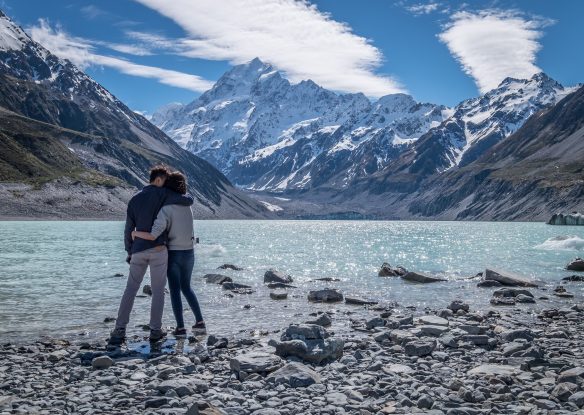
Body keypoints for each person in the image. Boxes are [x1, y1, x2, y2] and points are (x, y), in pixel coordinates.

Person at [109, 166, 194, 344]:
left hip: (138, 250)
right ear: (158, 179)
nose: (167, 184)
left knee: (130, 289)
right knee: (158, 292)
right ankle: (155, 331)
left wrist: (129, 252)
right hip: (158, 251)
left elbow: (128, 230)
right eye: (165, 180)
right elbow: (187, 200)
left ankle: (119, 329)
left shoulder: (134, 199)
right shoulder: (164, 195)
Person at [132, 171, 205, 336]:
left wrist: (136, 233)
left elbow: (153, 234)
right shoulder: (188, 206)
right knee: (187, 287)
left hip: (174, 254)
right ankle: (200, 322)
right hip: (189, 252)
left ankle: (180, 327)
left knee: (174, 290)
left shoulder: (167, 209)